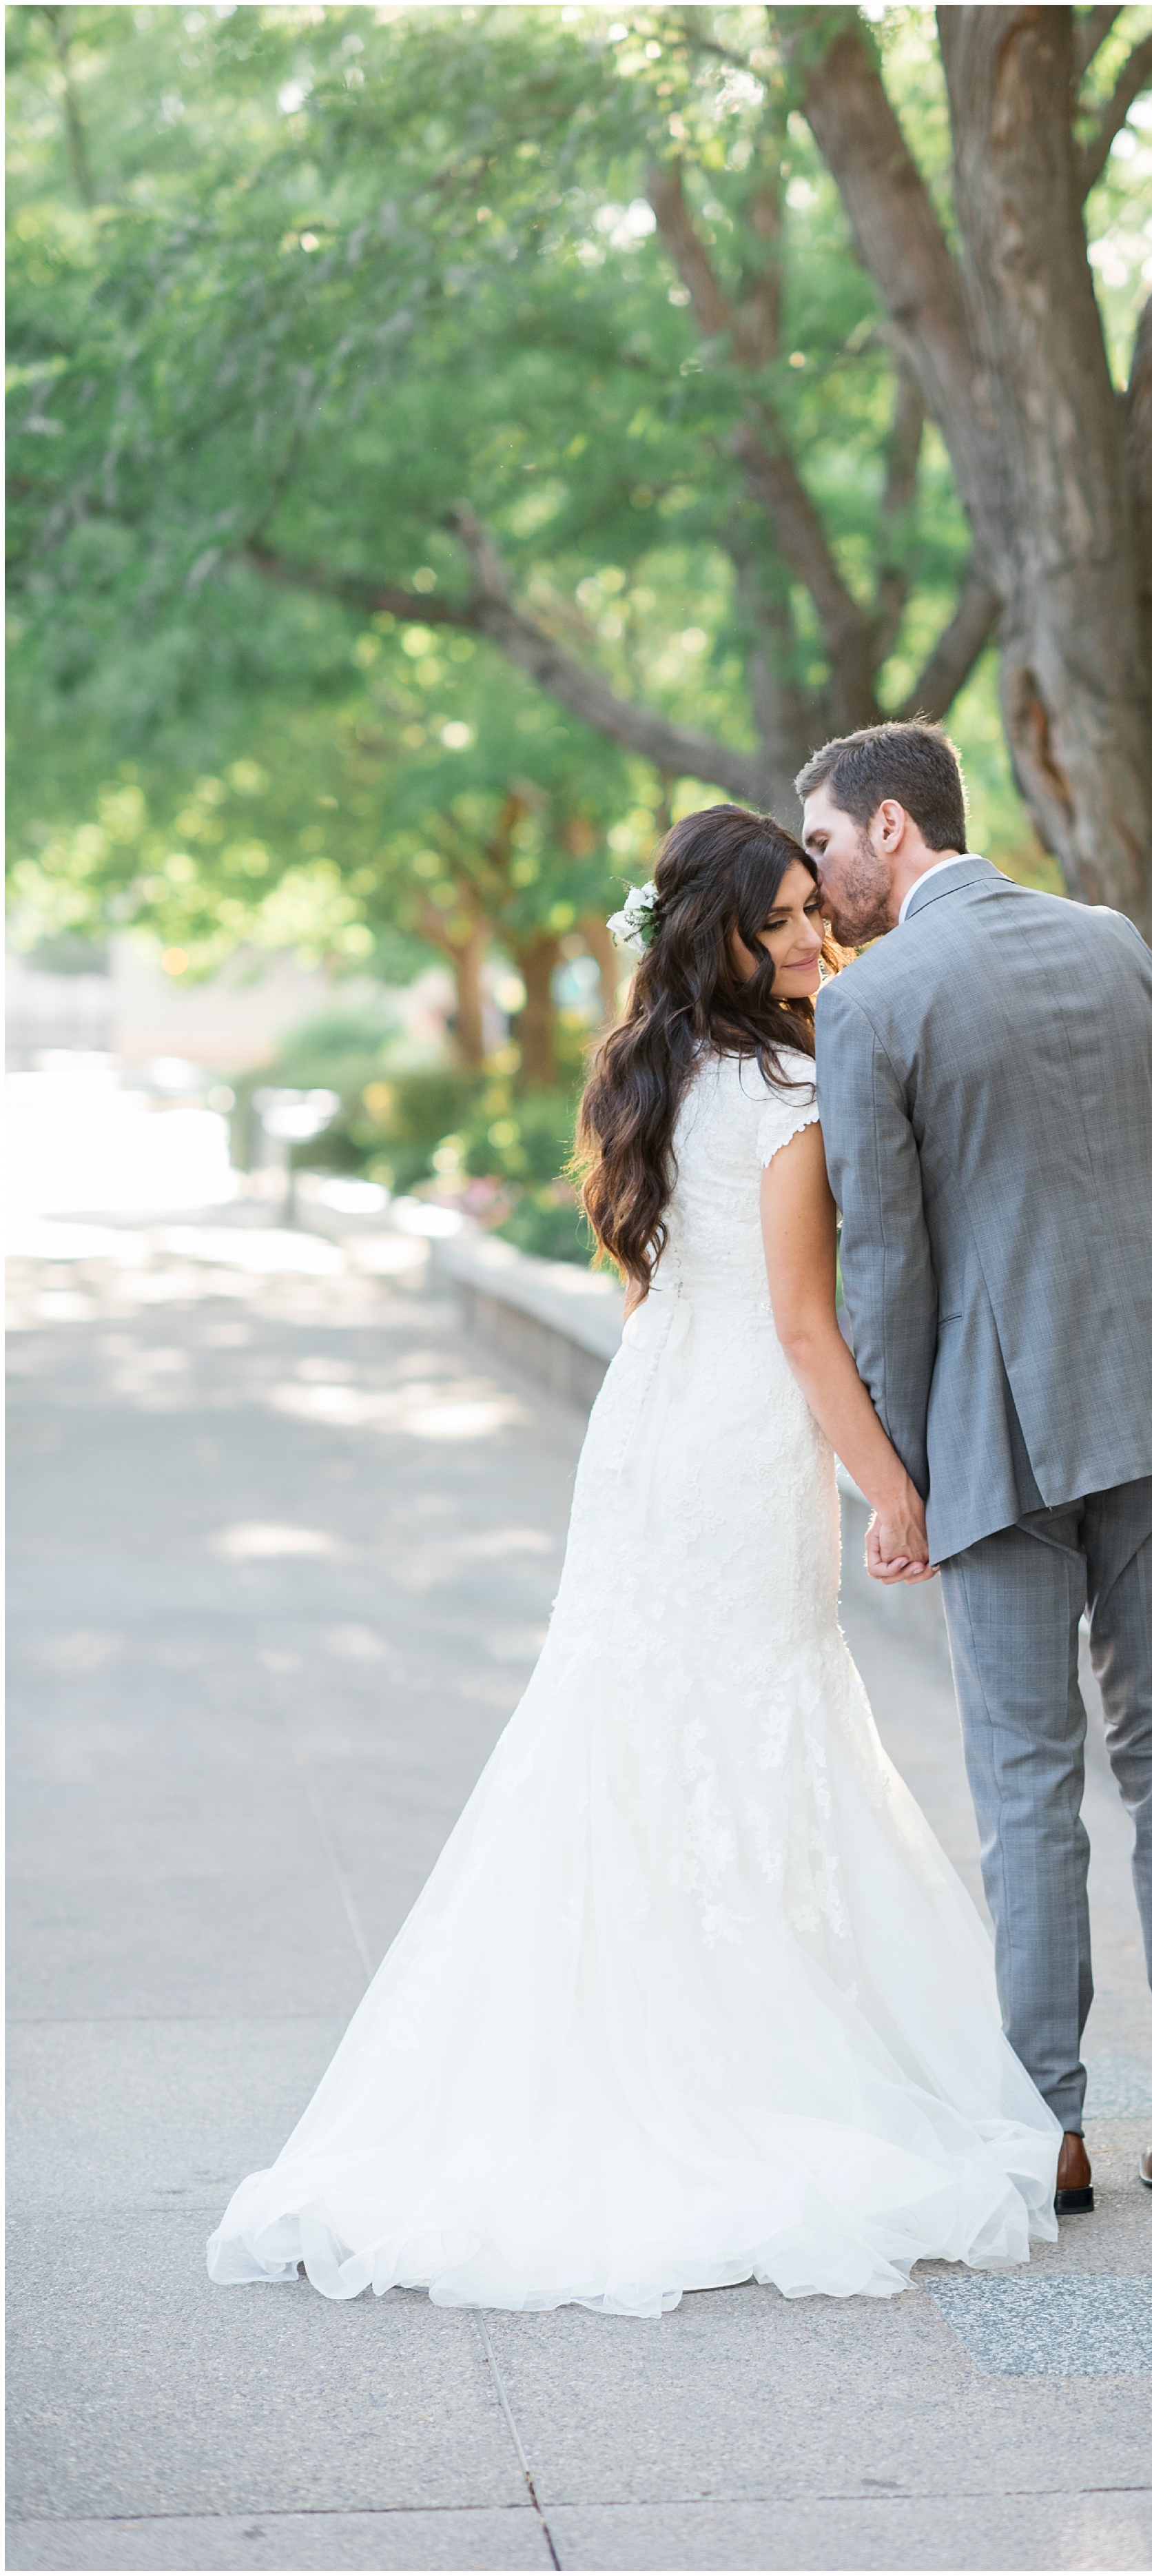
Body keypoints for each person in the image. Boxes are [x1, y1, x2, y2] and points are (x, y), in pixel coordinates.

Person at [206, 804, 1060, 2320]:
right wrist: (891, 1493)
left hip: (648, 1432)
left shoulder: (648, 1070)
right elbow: (802, 1326)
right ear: (720, 938)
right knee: (748, 1723)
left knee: (628, 1734)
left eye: (816, 912)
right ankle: (732, 2071)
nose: (817, 939)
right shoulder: (789, 1088)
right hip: (736, 1438)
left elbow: (653, 1290)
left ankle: (627, 2050)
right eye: (787, 919)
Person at [801, 720, 1152, 2216]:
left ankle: (1045, 2127)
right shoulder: (1112, 942)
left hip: (993, 1429)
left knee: (1025, 1781)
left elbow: (884, 1264)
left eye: (821, 845)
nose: (817, 880)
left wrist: (896, 1470)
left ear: (887, 825)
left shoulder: (873, 1005)